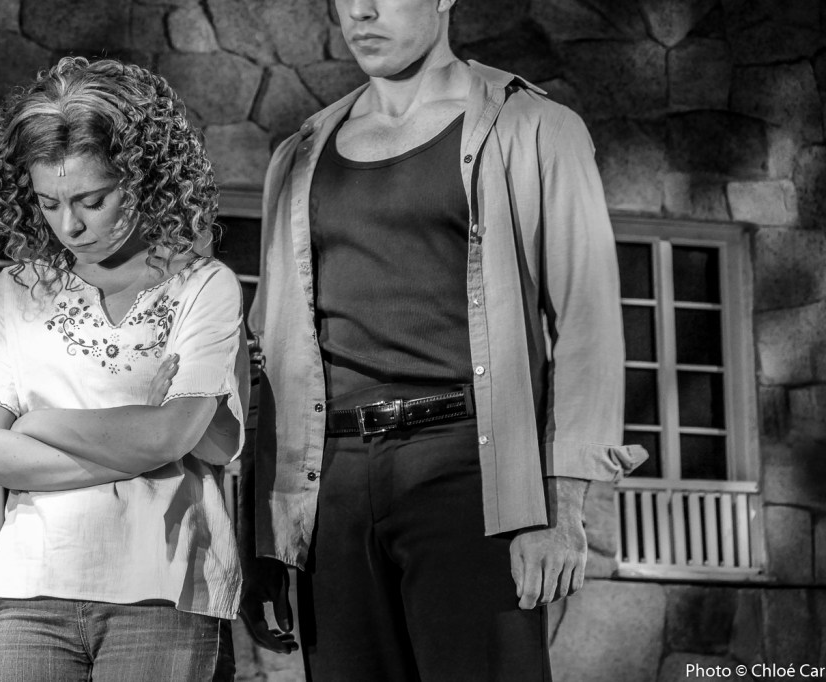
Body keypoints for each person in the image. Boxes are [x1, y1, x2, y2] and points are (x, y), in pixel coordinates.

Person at [239, 1, 648, 680]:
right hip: (330, 484)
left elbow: (588, 324)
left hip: (471, 476)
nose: (361, 11)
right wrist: (262, 537)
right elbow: (269, 355)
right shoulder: (301, 153)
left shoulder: (535, 127)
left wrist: (564, 507)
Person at [0, 56, 248, 681]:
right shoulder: (17, 290)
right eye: (49, 203)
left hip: (165, 588)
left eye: (92, 199)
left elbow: (174, 436)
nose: (71, 225)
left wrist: (40, 423)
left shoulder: (204, 285)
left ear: (144, 178)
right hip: (31, 588)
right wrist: (143, 441)